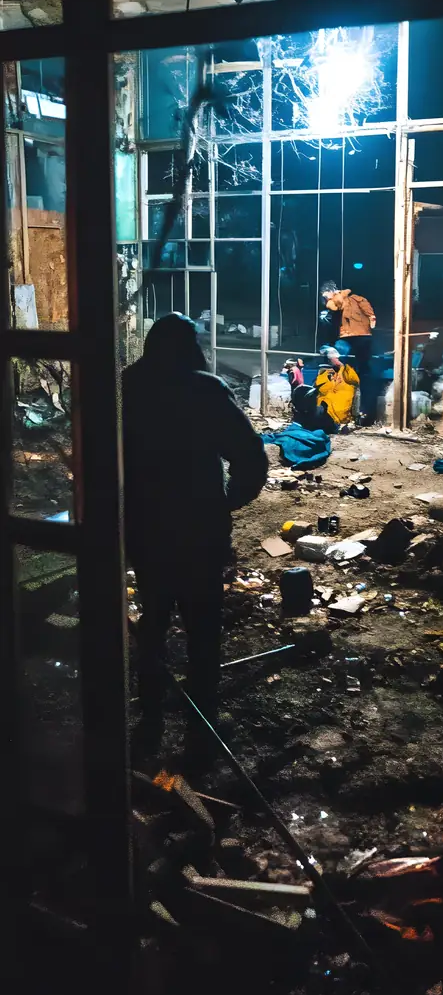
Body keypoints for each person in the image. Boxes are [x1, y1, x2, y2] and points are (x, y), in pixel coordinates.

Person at [122, 313, 268, 763]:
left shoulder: (126, 387)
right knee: (204, 628)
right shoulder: (205, 390)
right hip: (199, 530)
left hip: (145, 528)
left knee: (153, 619)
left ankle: (149, 716)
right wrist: (228, 502)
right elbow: (249, 455)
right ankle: (201, 725)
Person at [321, 281, 378, 425]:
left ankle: (334, 413)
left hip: (347, 338)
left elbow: (331, 326)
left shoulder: (336, 302)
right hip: (364, 337)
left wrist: (330, 350)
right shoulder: (358, 299)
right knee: (365, 374)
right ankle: (366, 416)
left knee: (336, 372)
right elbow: (370, 316)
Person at [315, 347, 360, 426]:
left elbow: (354, 380)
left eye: (329, 360)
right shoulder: (327, 374)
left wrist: (339, 364)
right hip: (328, 414)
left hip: (339, 416)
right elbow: (321, 390)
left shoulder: (346, 373)